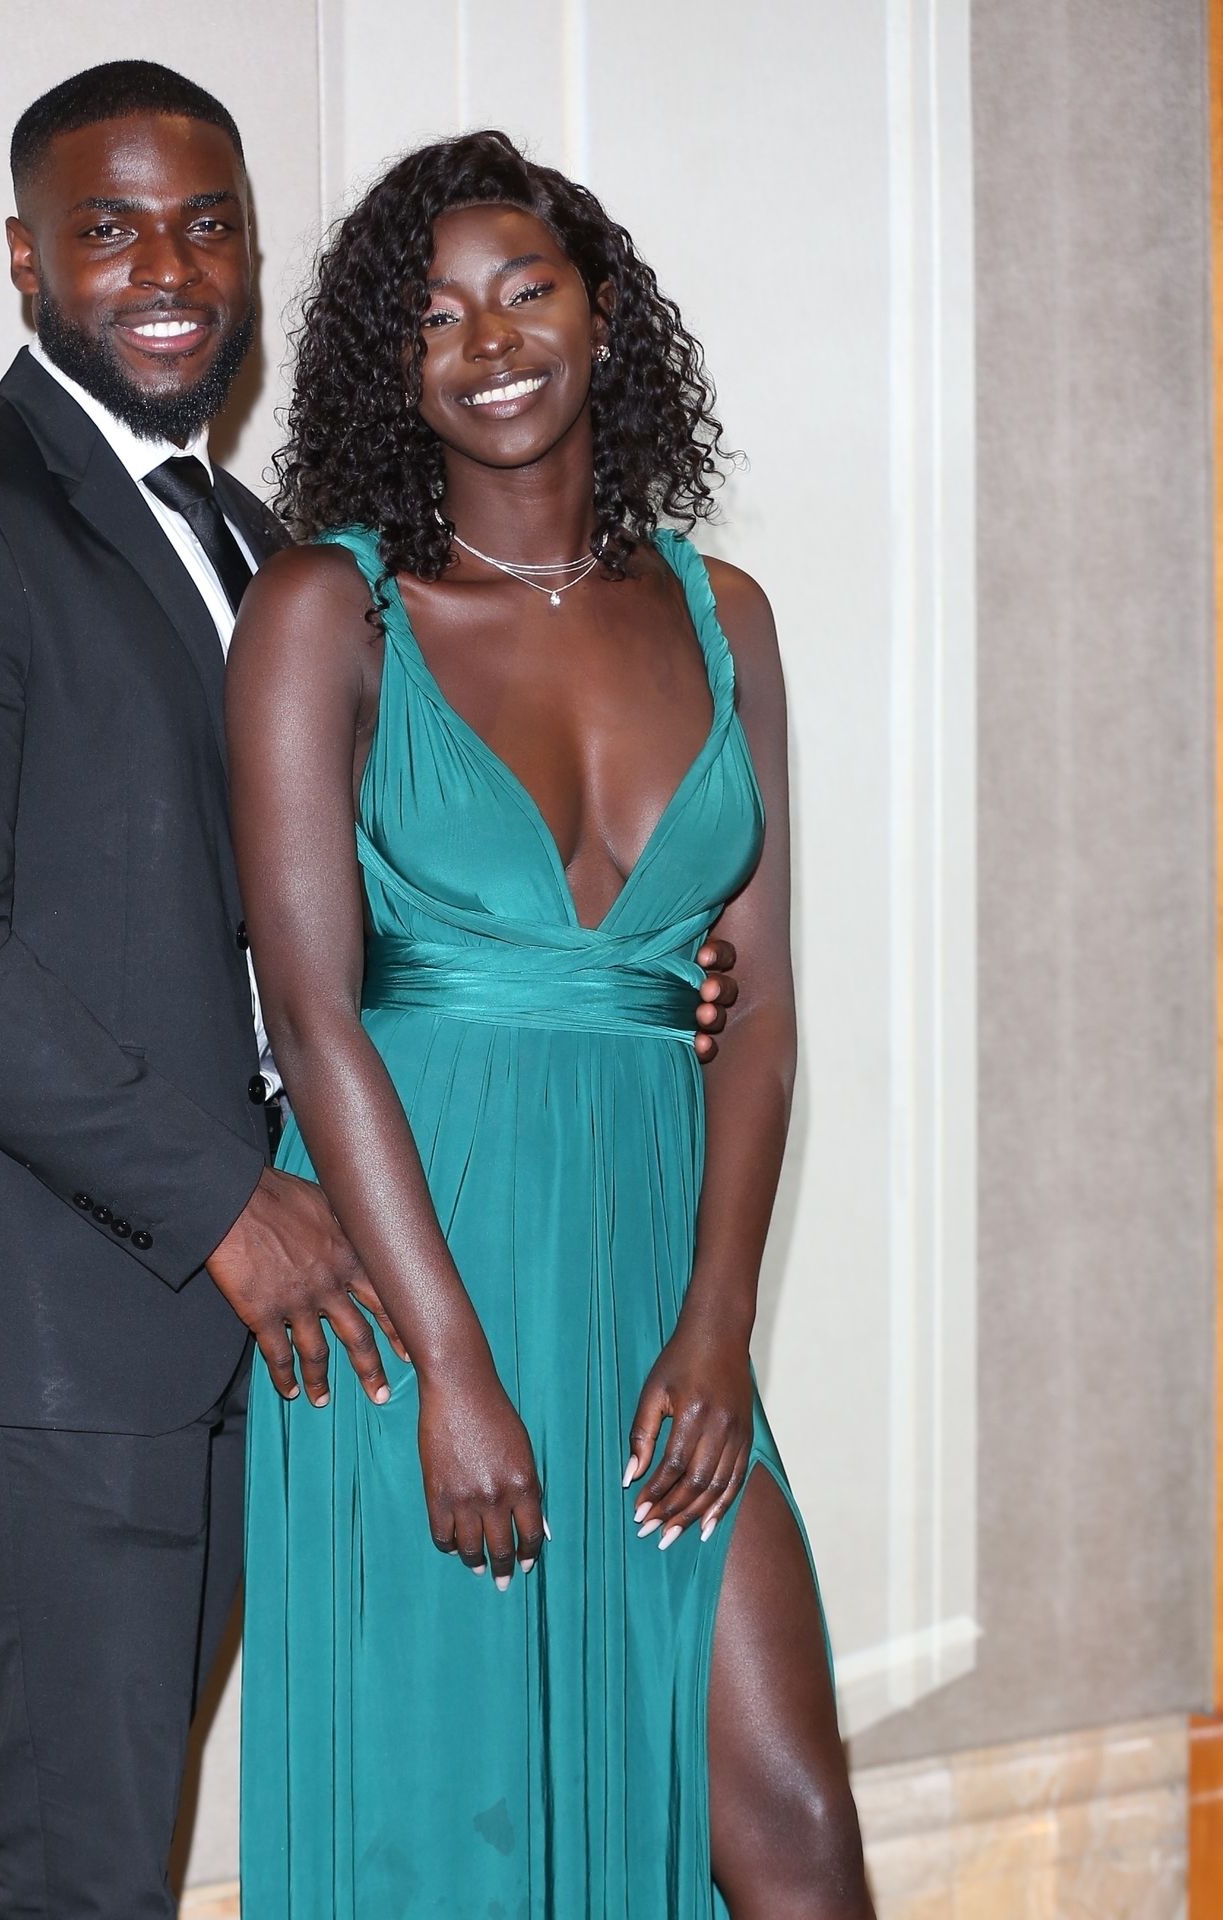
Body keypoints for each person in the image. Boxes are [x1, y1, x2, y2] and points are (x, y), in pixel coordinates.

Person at [0, 60, 742, 1919]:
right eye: (111, 228)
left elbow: (331, 901)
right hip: (61, 1317)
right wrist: (228, 1200)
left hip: (279, 1325)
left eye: (207, 225)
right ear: (25, 260)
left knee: (76, 1826)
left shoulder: (260, 543)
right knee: (79, 1850)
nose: (168, 268)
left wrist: (623, 971)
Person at [228, 131, 872, 1917]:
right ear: (392, 366)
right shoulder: (327, 611)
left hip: (658, 1300)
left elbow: (763, 1009)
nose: (490, 340)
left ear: (603, 312)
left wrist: (721, 1326)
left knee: (798, 1838)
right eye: (435, 317)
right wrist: (452, 1370)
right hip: (418, 1293)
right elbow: (313, 1015)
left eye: (526, 290)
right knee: (460, 1845)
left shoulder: (725, 618)